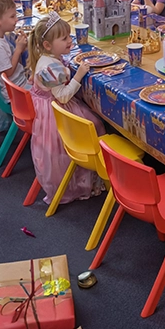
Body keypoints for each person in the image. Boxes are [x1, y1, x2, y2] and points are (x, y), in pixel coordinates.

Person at [28, 12, 106, 204]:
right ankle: (87, 177)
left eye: (68, 36)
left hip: (51, 105)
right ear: (47, 45)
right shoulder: (50, 68)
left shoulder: (48, 58)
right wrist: (78, 75)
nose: (69, 40)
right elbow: (62, 96)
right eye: (64, 38)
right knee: (93, 125)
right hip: (56, 111)